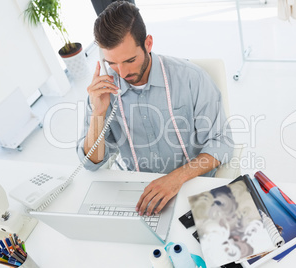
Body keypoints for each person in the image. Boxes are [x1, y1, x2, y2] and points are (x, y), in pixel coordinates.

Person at [77, 1, 234, 217]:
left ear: (148, 43)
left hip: (195, 186)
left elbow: (222, 143)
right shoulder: (104, 92)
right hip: (142, 195)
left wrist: (175, 179)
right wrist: (98, 112)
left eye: (130, 60)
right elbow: (91, 164)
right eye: (112, 63)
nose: (122, 73)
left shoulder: (191, 78)